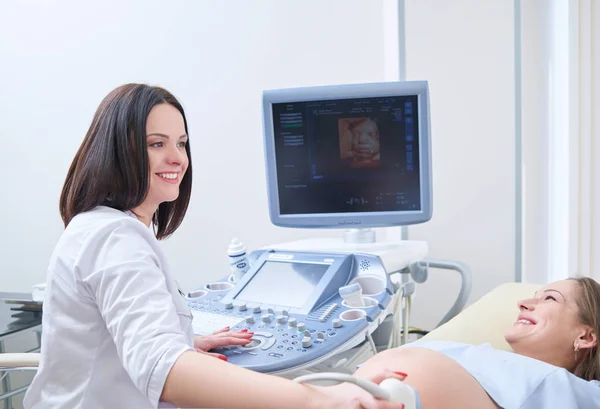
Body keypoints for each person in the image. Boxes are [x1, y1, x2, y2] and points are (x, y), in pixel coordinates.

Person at [22, 84, 406, 409]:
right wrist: (321, 399)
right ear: (118, 151)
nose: (177, 158)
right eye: (157, 144)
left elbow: (124, 337)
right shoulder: (114, 238)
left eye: (182, 143)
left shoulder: (98, 227)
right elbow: (161, 368)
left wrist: (180, 338)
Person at [347, 277, 600, 409]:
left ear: (586, 337)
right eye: (535, 295)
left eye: (550, 299)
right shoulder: (481, 354)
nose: (523, 303)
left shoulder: (583, 392)